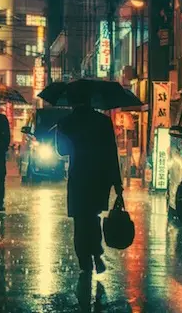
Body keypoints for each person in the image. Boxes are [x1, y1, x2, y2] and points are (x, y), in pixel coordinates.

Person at [56, 87, 123, 274]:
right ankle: (96, 253)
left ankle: (85, 261)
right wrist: (117, 182)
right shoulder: (103, 121)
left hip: (78, 176)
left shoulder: (66, 123)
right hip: (99, 178)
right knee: (93, 217)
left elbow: (61, 151)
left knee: (80, 220)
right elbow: (111, 152)